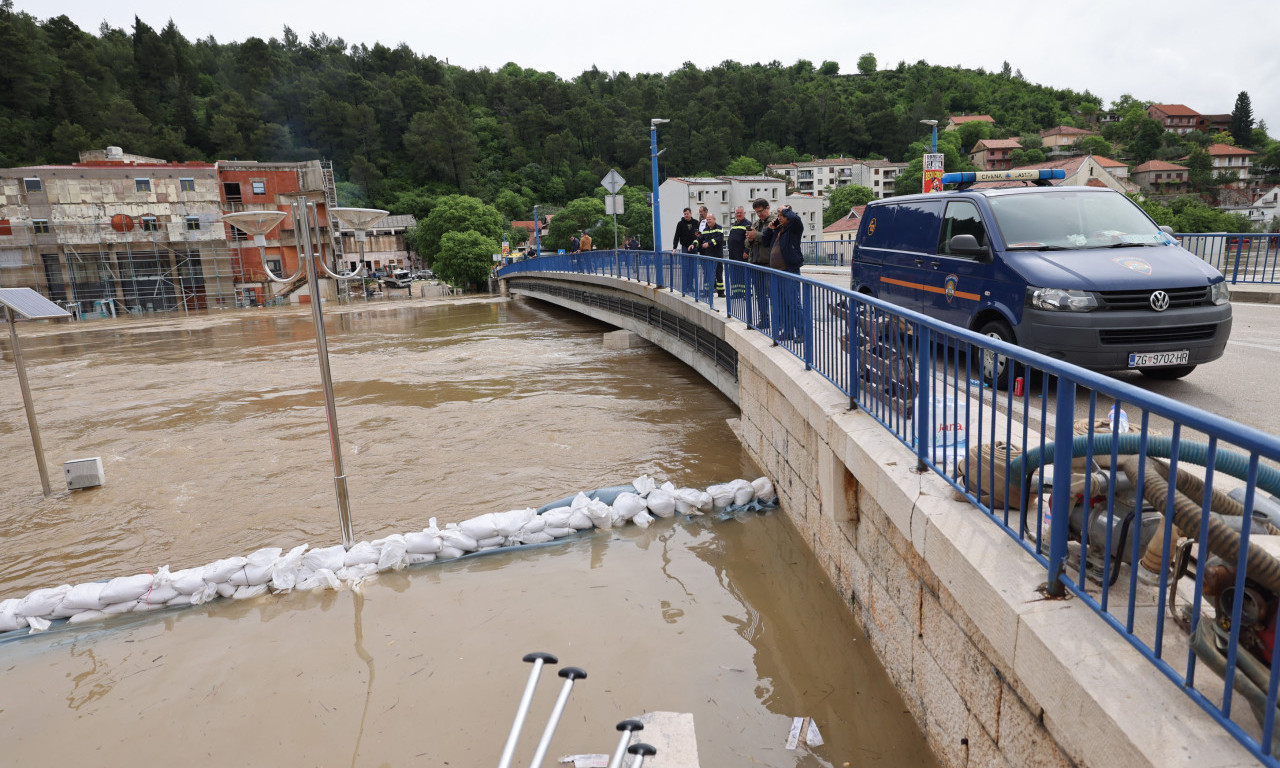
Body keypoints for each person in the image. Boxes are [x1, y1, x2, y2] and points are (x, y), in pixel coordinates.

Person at [768, 204, 805, 340]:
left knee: (793, 303)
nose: (780, 218)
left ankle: (802, 333)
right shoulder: (780, 231)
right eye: (778, 216)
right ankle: (788, 332)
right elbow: (766, 241)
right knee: (783, 304)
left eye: (782, 216)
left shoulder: (794, 228)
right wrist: (771, 229)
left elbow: (795, 218)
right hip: (777, 273)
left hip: (789, 271)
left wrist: (784, 210)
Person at [745, 198, 776, 329]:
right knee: (760, 295)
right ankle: (764, 320)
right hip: (756, 263)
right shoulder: (756, 223)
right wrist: (750, 239)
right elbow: (747, 243)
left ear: (767, 208)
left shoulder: (774, 222)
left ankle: (777, 322)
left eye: (761, 211)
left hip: (769, 263)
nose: (759, 214)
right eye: (757, 212)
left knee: (773, 295)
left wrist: (755, 235)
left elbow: (770, 239)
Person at [697, 213, 726, 297]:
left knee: (718, 274)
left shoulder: (719, 228)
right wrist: (694, 244)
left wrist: (708, 243)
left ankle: (720, 292)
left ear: (714, 220)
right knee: (708, 274)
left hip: (717, 255)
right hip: (708, 255)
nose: (708, 221)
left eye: (710, 219)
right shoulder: (705, 229)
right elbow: (700, 238)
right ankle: (707, 292)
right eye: (707, 219)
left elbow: (719, 239)